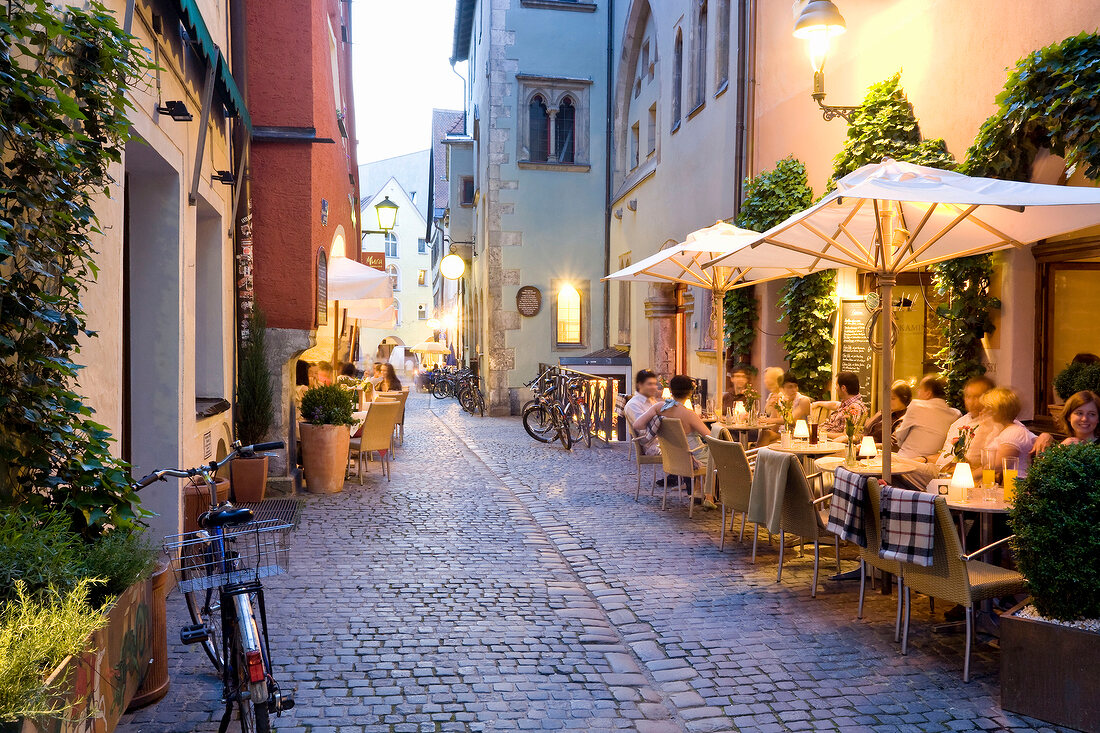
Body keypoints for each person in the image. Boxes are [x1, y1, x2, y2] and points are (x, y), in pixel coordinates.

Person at [632, 375, 716, 509]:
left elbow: (637, 424)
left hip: (671, 456)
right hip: (692, 455)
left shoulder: (659, 407)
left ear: (670, 390)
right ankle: (709, 495)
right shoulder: (689, 414)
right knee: (715, 454)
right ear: (690, 392)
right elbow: (711, 437)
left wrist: (657, 426)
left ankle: (698, 493)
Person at [927, 375, 996, 467]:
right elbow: (944, 454)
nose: (972, 402)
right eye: (968, 397)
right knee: (902, 463)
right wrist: (924, 459)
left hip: (964, 475)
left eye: (977, 396)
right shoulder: (958, 424)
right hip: (939, 471)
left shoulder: (997, 424)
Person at [894, 375, 960, 460]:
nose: (918, 393)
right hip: (933, 463)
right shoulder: (956, 414)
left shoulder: (916, 406)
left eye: (920, 389)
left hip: (907, 461)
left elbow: (899, 438)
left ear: (928, 393)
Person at [981, 387, 1037, 480]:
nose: (983, 411)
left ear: (998, 410)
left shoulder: (1013, 432)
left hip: (1016, 486)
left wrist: (969, 475)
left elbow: (998, 465)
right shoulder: (1005, 430)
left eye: (987, 408)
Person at [1032, 390, 1100, 453]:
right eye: (1079, 413)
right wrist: (1059, 449)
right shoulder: (1062, 445)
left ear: (1098, 419)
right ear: (1068, 417)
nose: (1084, 419)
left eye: (1092, 414)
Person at [815, 372, 869, 440]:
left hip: (831, 443)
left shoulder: (854, 408)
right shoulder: (847, 403)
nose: (835, 388)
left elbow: (847, 435)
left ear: (843, 388)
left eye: (836, 385)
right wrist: (818, 403)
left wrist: (820, 433)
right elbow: (835, 405)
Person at [864, 380, 912, 448]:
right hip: (864, 448)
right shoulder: (883, 412)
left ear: (904, 399)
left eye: (893, 398)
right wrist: (853, 438)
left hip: (877, 454)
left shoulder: (905, 419)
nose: (888, 401)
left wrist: (867, 446)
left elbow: (893, 444)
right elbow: (865, 431)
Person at [624, 370, 661, 456]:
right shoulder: (633, 404)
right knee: (688, 450)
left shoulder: (651, 400)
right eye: (650, 384)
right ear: (640, 385)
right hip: (653, 447)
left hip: (660, 441)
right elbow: (644, 431)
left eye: (655, 384)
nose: (654, 387)